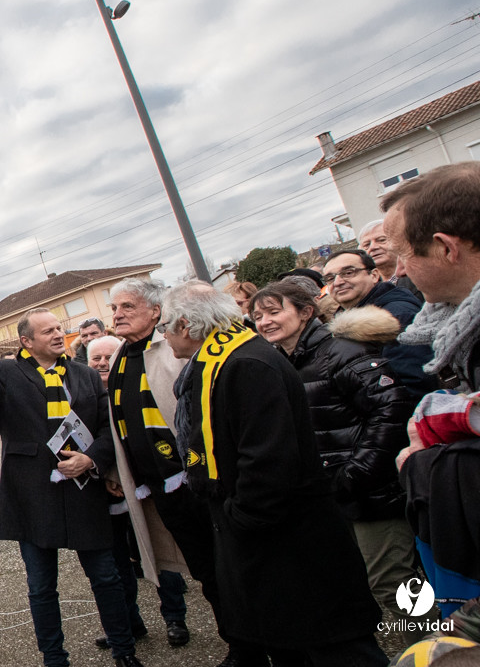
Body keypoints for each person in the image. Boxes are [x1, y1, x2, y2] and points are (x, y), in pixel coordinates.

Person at [161, 281, 387, 667]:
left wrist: (239, 518)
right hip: (273, 545)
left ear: (185, 325)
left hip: (292, 544)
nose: (163, 336)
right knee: (290, 645)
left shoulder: (244, 363)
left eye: (165, 326)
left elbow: (268, 459)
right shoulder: (227, 359)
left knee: (336, 650)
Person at [0, 309, 144, 667]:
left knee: (106, 578)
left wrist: (90, 459)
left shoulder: (84, 374)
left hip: (83, 490)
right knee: (41, 587)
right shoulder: (7, 373)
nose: (58, 334)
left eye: (58, 328)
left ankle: (124, 651)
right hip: (32, 495)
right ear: (27, 341)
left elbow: (106, 428)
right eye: (48, 331)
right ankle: (54, 658)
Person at [250, 280, 421, 644]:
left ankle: (438, 653)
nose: (264, 322)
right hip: (333, 494)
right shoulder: (284, 360)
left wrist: (357, 472)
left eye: (274, 311)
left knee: (394, 583)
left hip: (372, 492)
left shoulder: (340, 350)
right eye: (257, 315)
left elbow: (392, 408)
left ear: (305, 312)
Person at [106, 278, 260, 667]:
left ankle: (257, 644)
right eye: (114, 308)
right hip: (160, 489)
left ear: (156, 311)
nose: (117, 315)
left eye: (127, 306)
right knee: (206, 572)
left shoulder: (175, 348)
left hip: (199, 483)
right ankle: (239, 646)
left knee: (233, 568)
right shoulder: (120, 355)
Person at [382, 162, 480, 616]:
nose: (398, 271)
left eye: (404, 254)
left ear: (445, 247)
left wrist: (423, 465)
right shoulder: (458, 330)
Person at [85, 330, 189, 652]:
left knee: (161, 553)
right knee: (117, 565)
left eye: (108, 357)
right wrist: (108, 474)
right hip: (106, 493)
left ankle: (175, 618)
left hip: (145, 486)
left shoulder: (132, 384)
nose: (103, 363)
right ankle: (130, 623)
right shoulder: (83, 393)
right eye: (96, 358)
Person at [324, 248, 435, 393]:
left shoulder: (396, 315)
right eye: (330, 278)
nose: (338, 282)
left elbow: (414, 384)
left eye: (348, 273)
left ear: (374, 275)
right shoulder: (349, 315)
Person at [360, 218, 424, 300]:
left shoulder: (420, 276)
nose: (372, 247)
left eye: (381, 240)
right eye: (366, 245)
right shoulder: (366, 288)